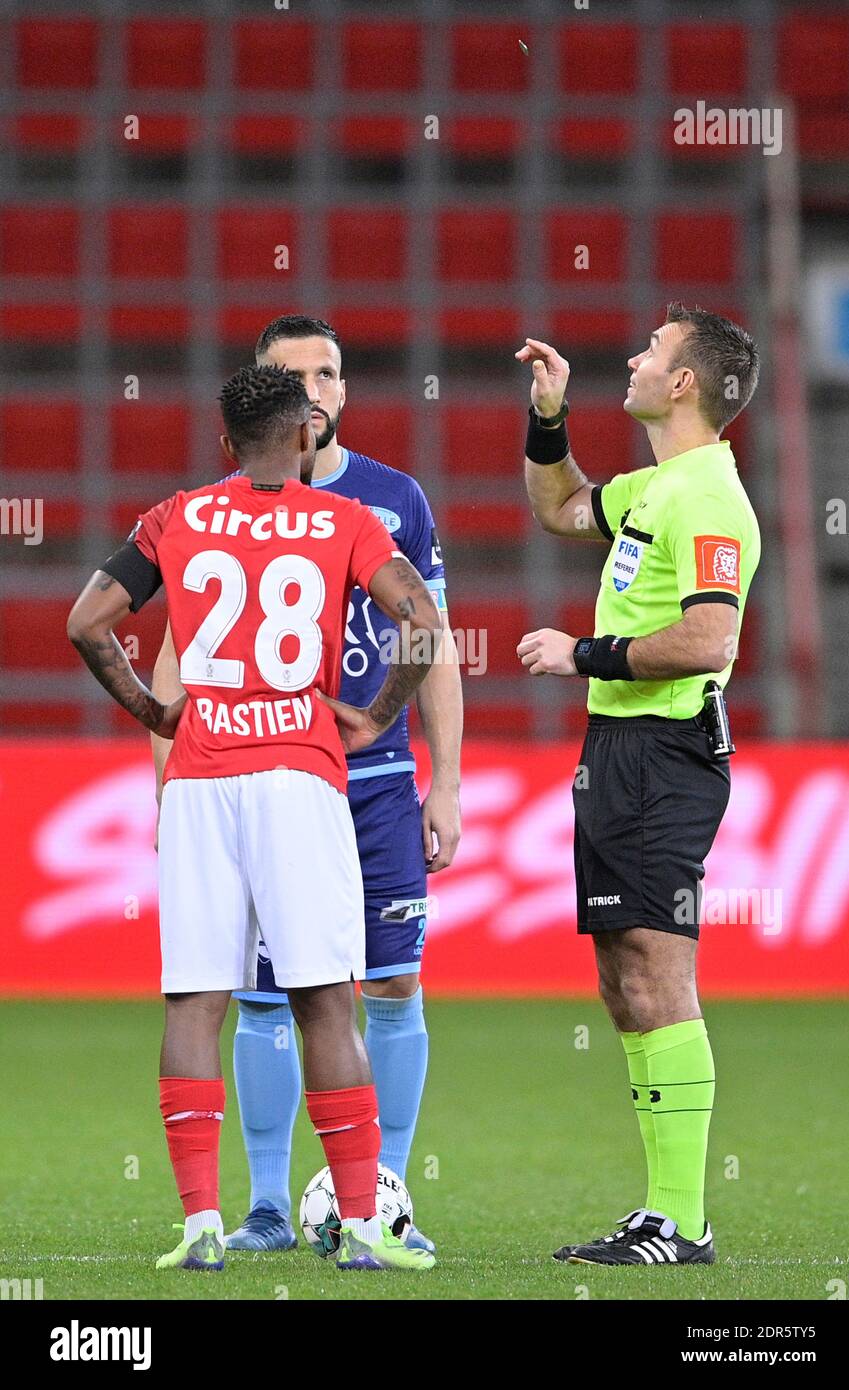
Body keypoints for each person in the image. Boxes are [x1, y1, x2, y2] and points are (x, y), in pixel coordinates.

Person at [67, 365, 441, 1273]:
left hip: (199, 780)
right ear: (307, 438)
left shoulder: (179, 516)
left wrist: (156, 714)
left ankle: (201, 1226)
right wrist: (381, 714)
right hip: (299, 777)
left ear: (226, 445)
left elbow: (88, 621)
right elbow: (422, 621)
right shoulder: (348, 521)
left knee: (197, 998)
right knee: (324, 998)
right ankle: (360, 1224)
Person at [150, 316, 462, 1254]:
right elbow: (177, 658)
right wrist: (168, 785)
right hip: (272, 775)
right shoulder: (217, 506)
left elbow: (433, 640)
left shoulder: (394, 498)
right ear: (268, 397)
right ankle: (269, 1206)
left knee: (392, 982)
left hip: (370, 781)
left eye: (331, 372)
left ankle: (384, 1194)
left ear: (342, 392)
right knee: (264, 995)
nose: (317, 390)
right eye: (298, 377)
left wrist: (444, 783)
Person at [515, 303, 761, 1265]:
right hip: (621, 751)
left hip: (665, 752)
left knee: (658, 971)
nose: (635, 357)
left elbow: (712, 638)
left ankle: (682, 1223)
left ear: (686, 382)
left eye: (653, 350)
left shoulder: (709, 499)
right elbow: (562, 506)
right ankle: (666, 1213)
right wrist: (549, 417)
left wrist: (587, 652)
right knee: (623, 977)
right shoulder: (657, 487)